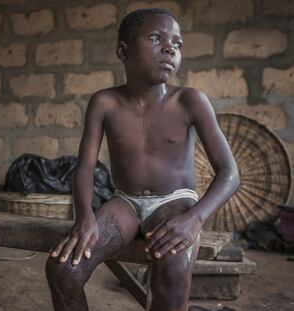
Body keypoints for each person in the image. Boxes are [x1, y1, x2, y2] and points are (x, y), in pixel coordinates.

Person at [45, 8, 240, 311]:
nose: (169, 49)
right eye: (156, 38)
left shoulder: (190, 101)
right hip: (125, 203)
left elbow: (230, 173)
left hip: (176, 201)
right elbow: (84, 168)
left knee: (172, 269)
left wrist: (194, 219)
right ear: (123, 51)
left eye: (177, 43)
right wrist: (84, 217)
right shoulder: (105, 102)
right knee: (63, 269)